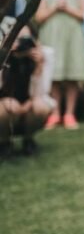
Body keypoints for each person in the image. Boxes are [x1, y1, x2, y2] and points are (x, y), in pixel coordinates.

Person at [35, 0, 84, 130]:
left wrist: (68, 8)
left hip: (72, 38)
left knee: (71, 77)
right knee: (54, 77)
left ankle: (69, 113)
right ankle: (55, 113)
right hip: (52, 37)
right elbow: (39, 17)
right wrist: (54, 8)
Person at [0, 26, 55, 157]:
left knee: (40, 107)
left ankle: (28, 139)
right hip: (4, 105)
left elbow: (43, 93)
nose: (20, 43)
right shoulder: (3, 55)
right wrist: (4, 56)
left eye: (25, 39)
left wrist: (39, 66)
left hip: (30, 103)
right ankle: (3, 141)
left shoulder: (44, 56)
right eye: (15, 38)